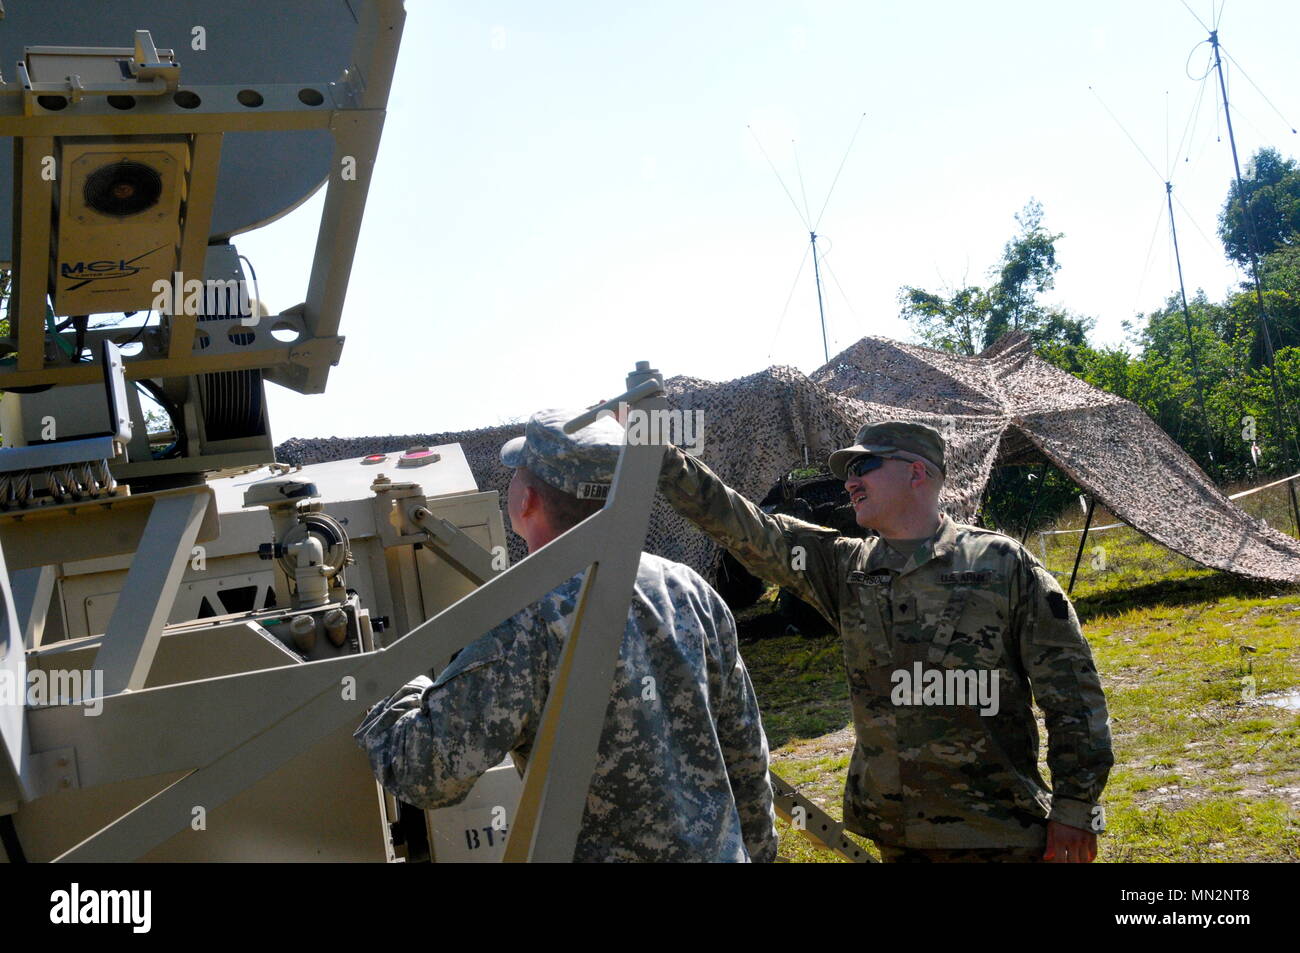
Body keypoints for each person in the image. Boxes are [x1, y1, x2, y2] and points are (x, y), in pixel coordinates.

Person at [658, 420, 1113, 863]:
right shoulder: (846, 569)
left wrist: (1076, 807)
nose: (850, 482)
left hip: (999, 831)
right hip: (895, 832)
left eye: (865, 467)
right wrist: (659, 453)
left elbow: (1073, 692)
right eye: (849, 472)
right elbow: (746, 525)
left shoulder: (1002, 564)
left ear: (916, 472)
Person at [355, 408, 778, 862]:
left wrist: (391, 688)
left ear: (527, 500)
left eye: (516, 475)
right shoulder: (689, 589)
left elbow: (427, 774)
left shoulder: (523, 618)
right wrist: (758, 850)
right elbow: (746, 751)